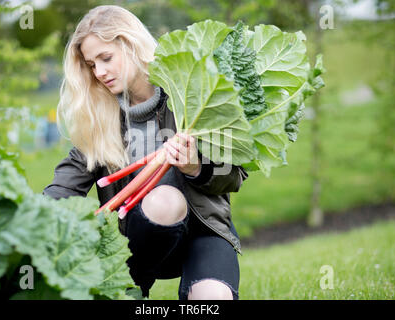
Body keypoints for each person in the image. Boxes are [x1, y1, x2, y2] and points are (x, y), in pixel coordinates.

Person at [43, 5, 249, 300]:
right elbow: (64, 187)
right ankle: (132, 286)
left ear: (131, 45)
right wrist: (27, 219)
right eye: (91, 65)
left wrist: (196, 167)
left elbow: (233, 176)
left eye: (106, 58)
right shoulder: (101, 118)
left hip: (204, 231)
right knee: (165, 201)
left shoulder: (191, 97)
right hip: (136, 242)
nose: (99, 72)